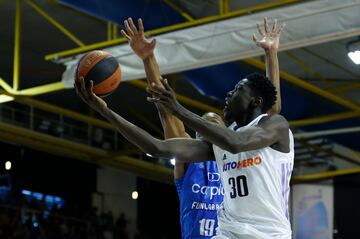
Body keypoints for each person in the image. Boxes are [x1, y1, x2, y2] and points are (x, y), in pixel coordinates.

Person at [75, 18, 292, 239]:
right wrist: (106, 110)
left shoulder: (257, 134)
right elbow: (158, 141)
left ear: (224, 129)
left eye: (211, 124)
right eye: (201, 129)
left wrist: (271, 54)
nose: (204, 131)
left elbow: (266, 112)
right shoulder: (203, 156)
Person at [121, 18, 225, 238]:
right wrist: (148, 58)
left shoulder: (235, 162)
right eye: (203, 125)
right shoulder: (188, 161)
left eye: (214, 122)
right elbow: (165, 107)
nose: (207, 126)